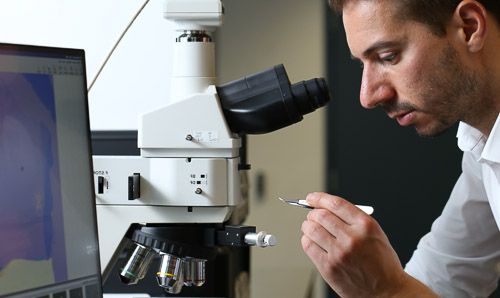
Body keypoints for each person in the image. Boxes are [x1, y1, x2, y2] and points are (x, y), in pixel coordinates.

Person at [300, 0, 500, 297]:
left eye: (388, 56)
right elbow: (443, 279)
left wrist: (387, 289)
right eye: (362, 64)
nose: (367, 96)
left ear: (469, 28)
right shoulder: (481, 146)